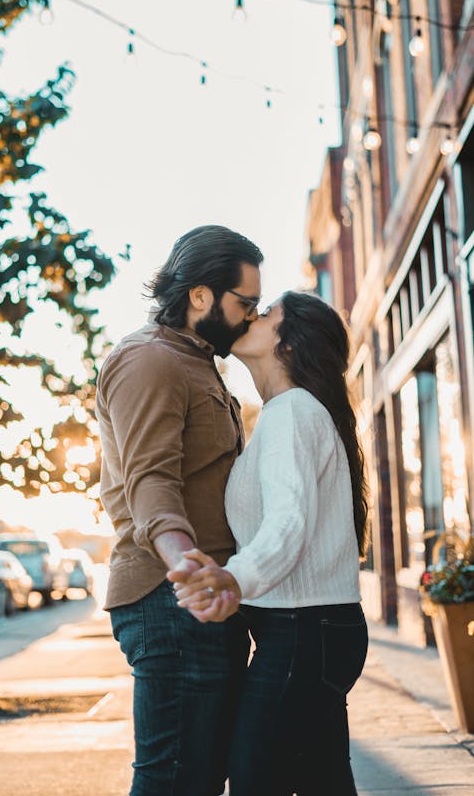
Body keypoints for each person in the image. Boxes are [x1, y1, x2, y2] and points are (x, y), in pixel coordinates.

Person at [170, 291, 369, 796]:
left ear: (288, 343)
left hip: (303, 633)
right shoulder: (291, 413)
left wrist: (235, 577)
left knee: (258, 777)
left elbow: (288, 522)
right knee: (324, 780)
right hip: (315, 631)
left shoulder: (292, 413)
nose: (250, 318)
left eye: (265, 314)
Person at [95, 225, 263, 796]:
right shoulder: (150, 361)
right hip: (172, 602)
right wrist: (185, 565)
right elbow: (150, 482)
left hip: (205, 599)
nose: (251, 317)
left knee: (199, 778)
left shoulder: (196, 363)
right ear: (200, 296)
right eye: (245, 303)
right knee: (174, 781)